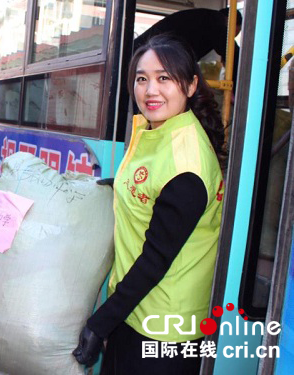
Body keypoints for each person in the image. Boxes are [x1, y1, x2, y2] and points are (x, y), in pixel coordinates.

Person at [73, 35, 226, 374]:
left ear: (189, 85)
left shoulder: (187, 165)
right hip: (137, 311)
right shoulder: (158, 130)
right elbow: (151, 189)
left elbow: (155, 260)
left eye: (164, 78)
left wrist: (100, 323)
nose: (150, 90)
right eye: (142, 79)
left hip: (163, 330)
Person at [134, 8, 242, 87]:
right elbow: (234, 55)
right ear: (230, 22)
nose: (231, 38)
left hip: (140, 55)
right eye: (233, 34)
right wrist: (236, 88)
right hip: (146, 58)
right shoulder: (216, 21)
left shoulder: (201, 19)